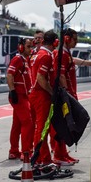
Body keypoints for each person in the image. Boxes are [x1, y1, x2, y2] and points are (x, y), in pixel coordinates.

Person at [54, 28, 91, 164]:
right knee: (65, 124)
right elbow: (61, 75)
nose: (76, 42)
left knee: (69, 125)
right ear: (67, 39)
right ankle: (58, 154)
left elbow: (73, 60)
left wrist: (89, 63)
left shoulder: (66, 54)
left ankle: (63, 153)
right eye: (75, 39)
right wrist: (67, 95)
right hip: (66, 95)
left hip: (70, 94)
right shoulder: (61, 54)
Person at [29, 30, 58, 166]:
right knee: (42, 128)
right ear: (55, 42)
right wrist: (52, 92)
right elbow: (41, 78)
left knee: (39, 128)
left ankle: (40, 157)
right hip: (41, 95)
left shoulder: (37, 54)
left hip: (34, 94)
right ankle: (43, 159)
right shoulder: (46, 55)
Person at [6, 38, 34, 160]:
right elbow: (9, 74)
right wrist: (12, 91)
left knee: (17, 124)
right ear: (21, 47)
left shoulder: (25, 60)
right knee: (28, 122)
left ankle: (14, 151)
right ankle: (26, 151)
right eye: (28, 47)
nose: (30, 49)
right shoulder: (17, 59)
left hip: (23, 96)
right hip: (18, 96)